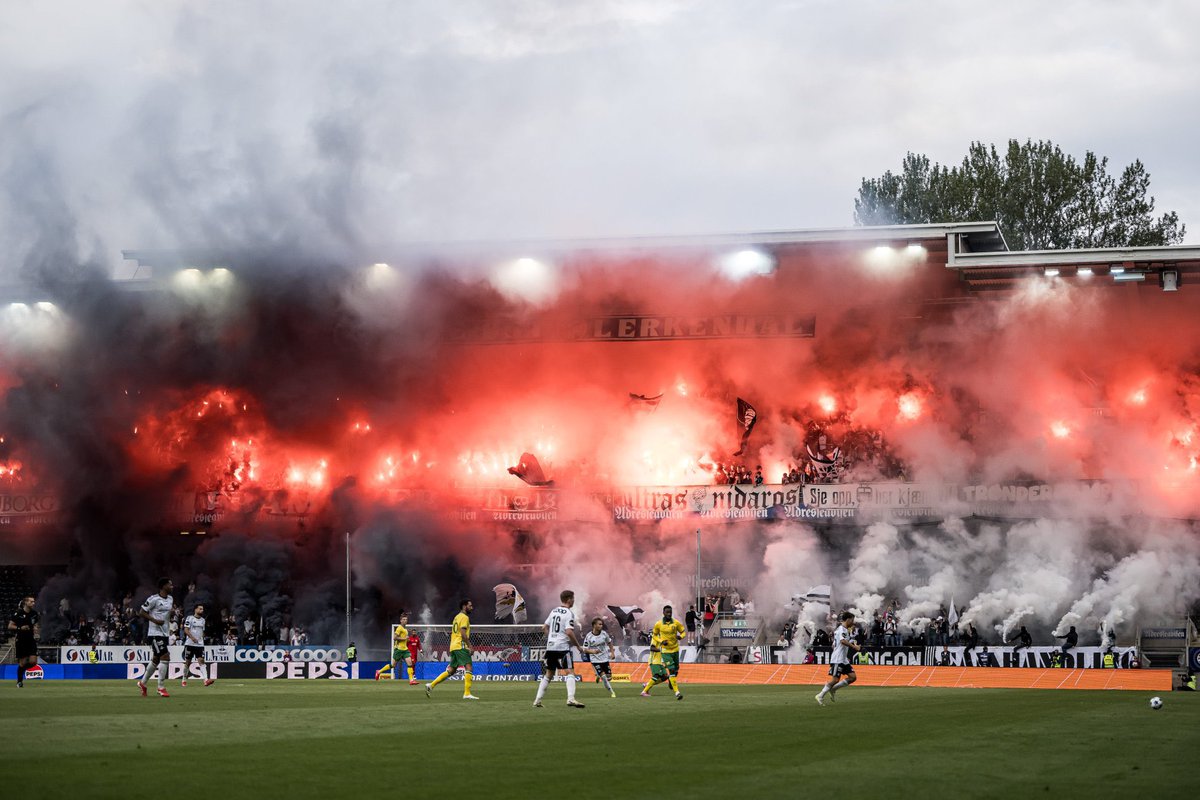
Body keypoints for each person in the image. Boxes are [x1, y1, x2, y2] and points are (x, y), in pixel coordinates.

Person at [533, 589, 586, 708]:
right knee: (570, 672)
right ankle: (571, 699)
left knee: (548, 674)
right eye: (573, 598)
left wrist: (551, 637)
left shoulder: (554, 611)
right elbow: (569, 632)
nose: (574, 601)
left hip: (551, 646)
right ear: (569, 600)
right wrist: (578, 646)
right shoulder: (568, 613)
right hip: (562, 647)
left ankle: (537, 700)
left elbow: (544, 627)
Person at [426, 599, 477, 700]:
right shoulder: (464, 617)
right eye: (470, 605)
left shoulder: (456, 617)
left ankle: (431, 685)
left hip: (453, 646)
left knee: (452, 670)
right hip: (460, 645)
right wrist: (470, 646)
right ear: (464, 606)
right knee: (469, 667)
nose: (472, 607)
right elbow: (463, 633)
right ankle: (467, 693)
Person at [137, 578, 175, 698]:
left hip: (164, 634)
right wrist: (154, 620)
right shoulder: (153, 599)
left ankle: (142, 683)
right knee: (165, 656)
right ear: (163, 586)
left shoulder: (170, 599)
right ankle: (161, 687)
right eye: (170, 584)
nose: (172, 586)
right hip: (154, 633)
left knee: (156, 659)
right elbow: (141, 612)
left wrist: (172, 615)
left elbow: (166, 614)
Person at [815, 611, 860, 705]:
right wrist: (854, 647)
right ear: (848, 619)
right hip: (838, 659)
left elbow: (834, 645)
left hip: (843, 659)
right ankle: (820, 695)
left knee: (853, 677)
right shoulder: (841, 630)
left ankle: (833, 689)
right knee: (835, 679)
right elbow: (842, 641)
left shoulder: (843, 630)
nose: (853, 622)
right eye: (852, 620)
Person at [643, 605, 686, 700]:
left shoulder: (676, 623)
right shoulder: (658, 624)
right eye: (667, 612)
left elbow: (683, 632)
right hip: (664, 652)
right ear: (663, 613)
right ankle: (677, 692)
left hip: (675, 649)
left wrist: (681, 637)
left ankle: (671, 681)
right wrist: (662, 641)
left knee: (674, 671)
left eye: (670, 612)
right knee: (668, 672)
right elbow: (654, 636)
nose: (669, 614)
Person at [180, 604, 215, 688]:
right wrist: (192, 638)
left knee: (201, 660)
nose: (202, 610)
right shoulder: (189, 618)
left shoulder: (203, 620)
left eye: (202, 609)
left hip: (199, 644)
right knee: (188, 662)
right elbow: (186, 629)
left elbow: (202, 631)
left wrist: (201, 638)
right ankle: (184, 679)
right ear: (195, 610)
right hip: (190, 643)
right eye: (200, 609)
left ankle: (206, 680)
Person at [582, 616, 618, 698]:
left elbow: (609, 643)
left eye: (602, 624)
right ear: (594, 625)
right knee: (604, 677)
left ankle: (598, 675)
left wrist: (612, 653)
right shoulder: (589, 636)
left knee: (609, 678)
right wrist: (593, 651)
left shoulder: (604, 634)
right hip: (595, 660)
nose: (601, 626)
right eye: (599, 624)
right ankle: (612, 692)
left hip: (604, 658)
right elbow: (584, 649)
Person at [376, 613, 417, 684]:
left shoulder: (405, 629)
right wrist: (404, 638)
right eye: (403, 619)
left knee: (410, 663)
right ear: (400, 620)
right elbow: (394, 638)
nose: (405, 621)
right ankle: (379, 671)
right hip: (399, 650)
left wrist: (407, 640)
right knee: (393, 665)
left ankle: (411, 680)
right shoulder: (399, 628)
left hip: (405, 650)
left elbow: (404, 639)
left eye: (406, 619)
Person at [9, 596, 39, 688]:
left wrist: (35, 628)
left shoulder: (34, 613)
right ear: (26, 602)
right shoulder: (18, 613)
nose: (33, 603)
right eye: (31, 601)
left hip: (31, 640)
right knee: (22, 663)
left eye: (34, 601)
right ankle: (19, 681)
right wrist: (20, 628)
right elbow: (10, 626)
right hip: (21, 640)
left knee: (33, 662)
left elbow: (35, 624)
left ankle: (21, 671)